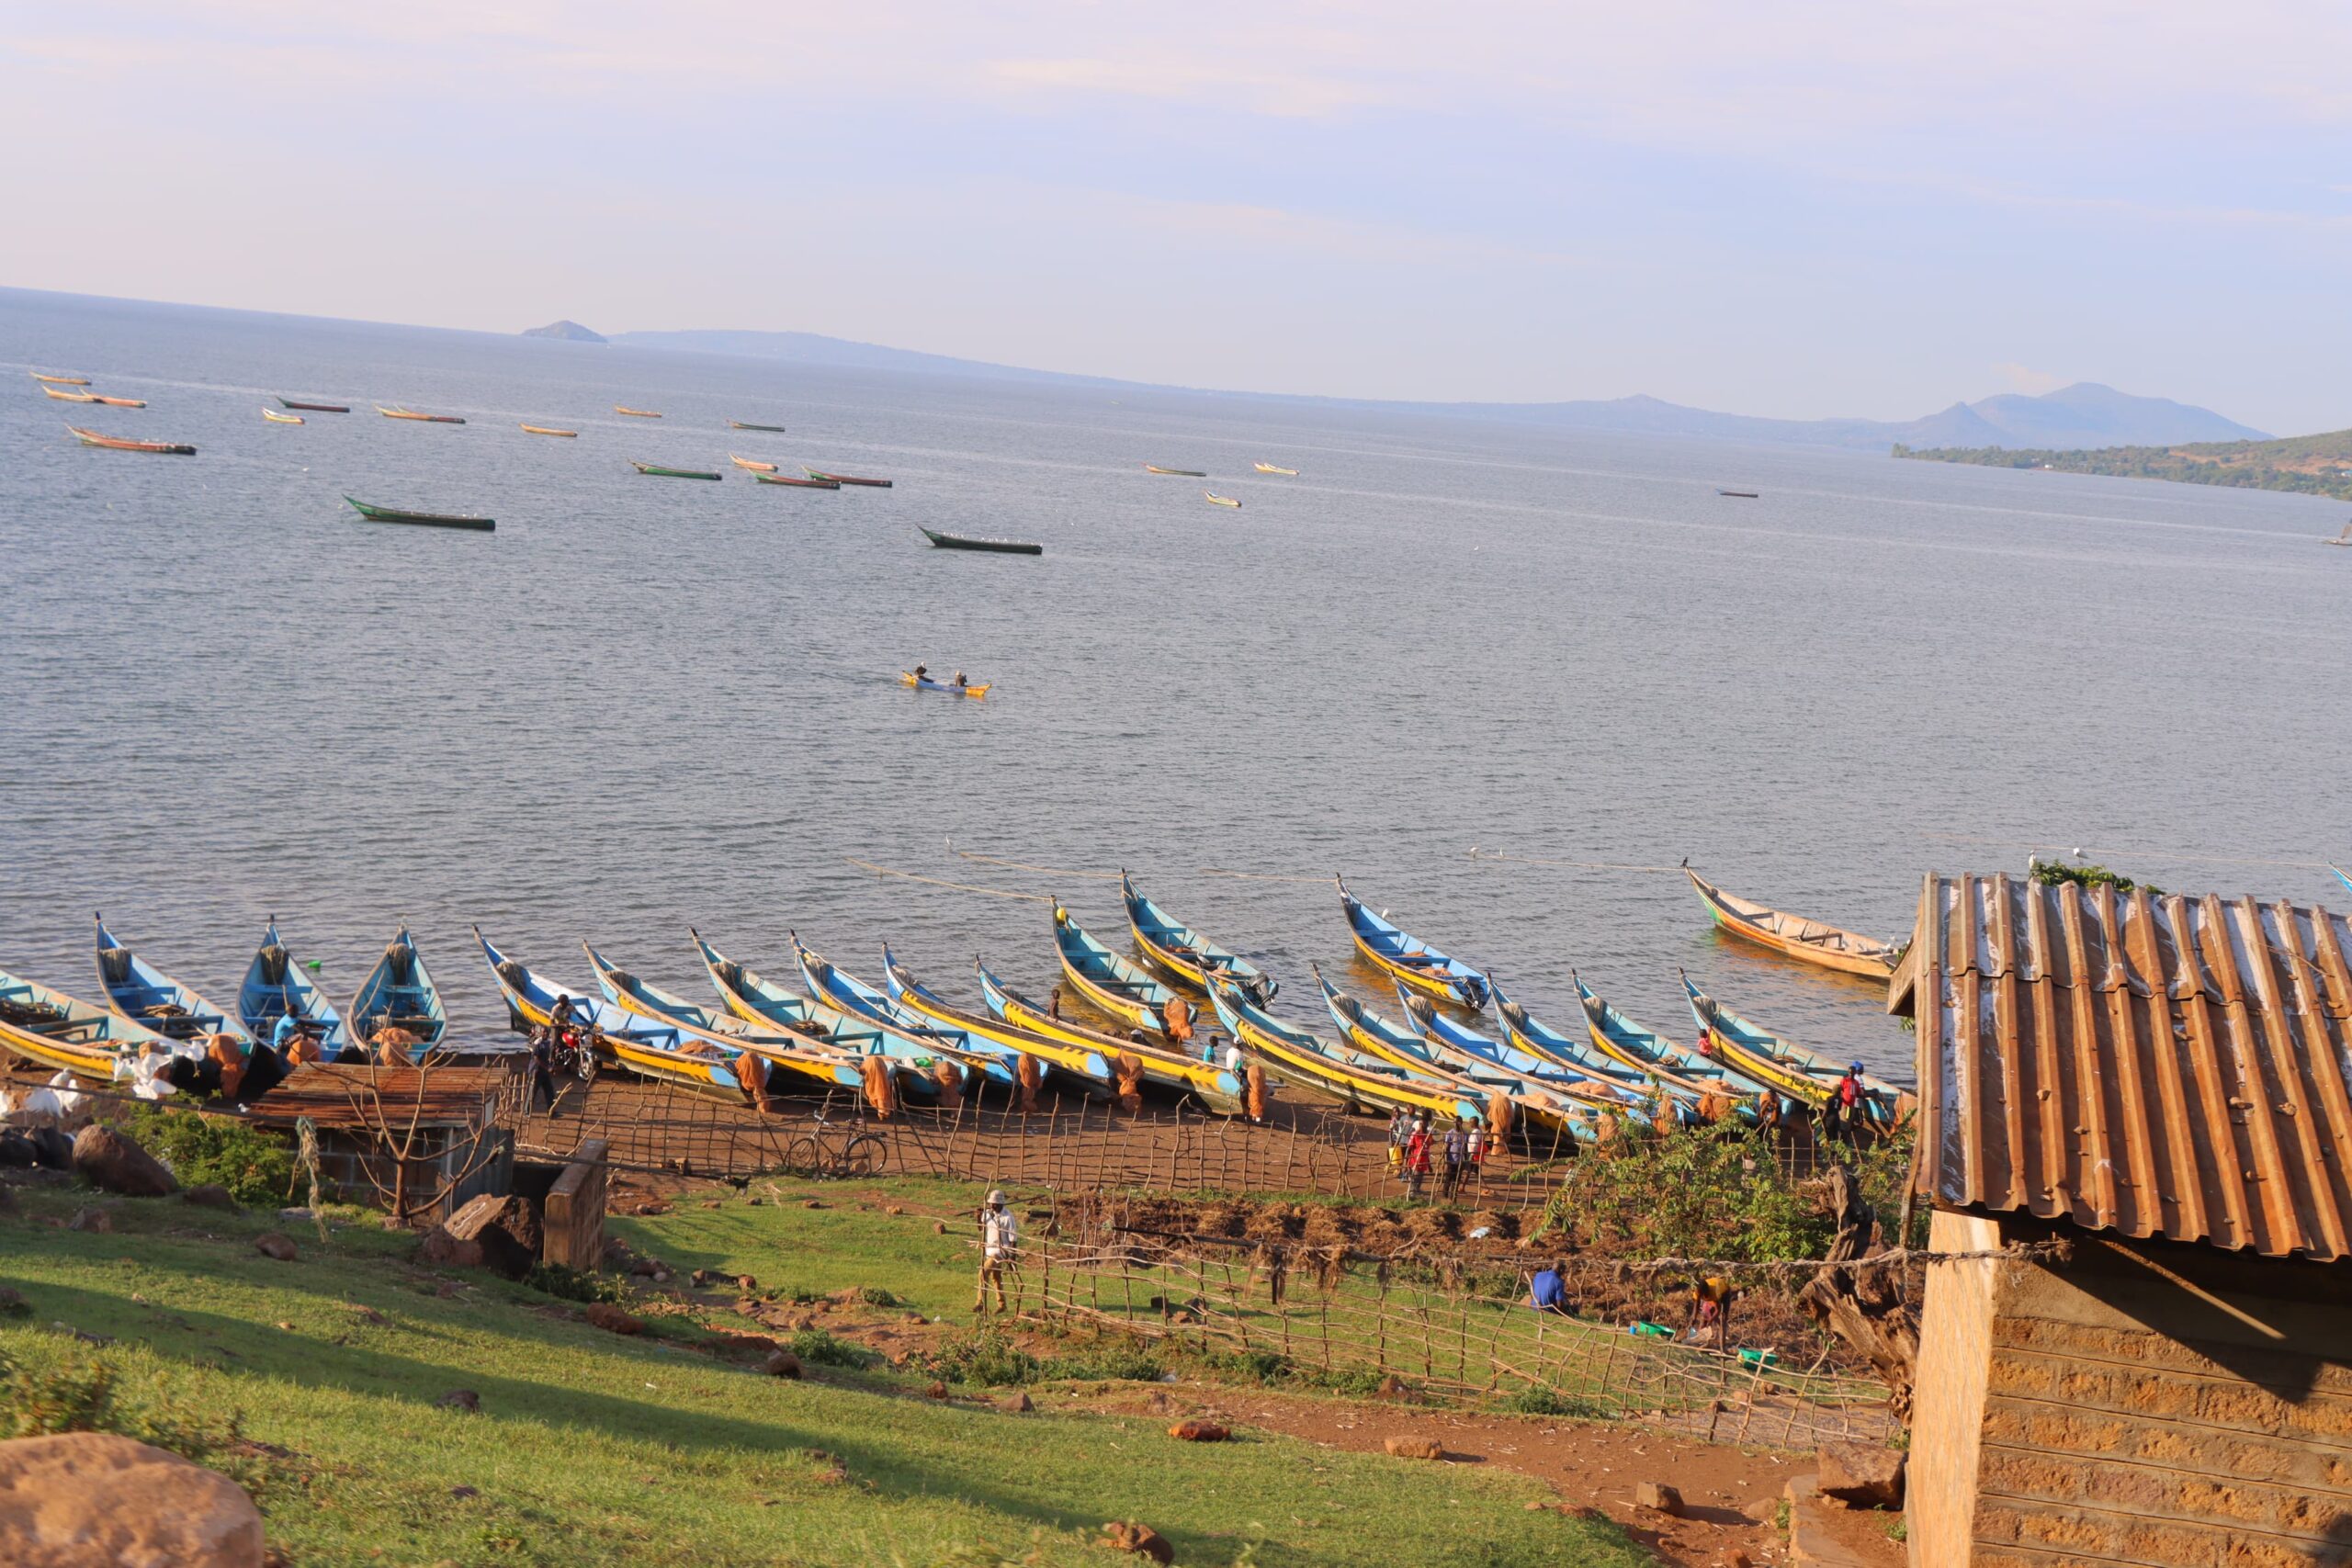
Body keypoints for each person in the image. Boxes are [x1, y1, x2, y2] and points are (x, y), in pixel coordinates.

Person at [975, 1189, 1020, 1314]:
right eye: (990, 1203)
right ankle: (1002, 1305)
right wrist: (978, 1217)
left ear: (1000, 1204)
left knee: (983, 1272)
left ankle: (980, 1302)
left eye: (994, 1204)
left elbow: (1013, 1239)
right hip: (990, 1250)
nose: (991, 1205)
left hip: (1000, 1251)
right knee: (996, 1278)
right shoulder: (988, 1214)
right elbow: (980, 1228)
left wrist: (1012, 1259)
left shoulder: (1008, 1217)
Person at [1689, 1276, 1739, 1350]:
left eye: (1700, 1294)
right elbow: (1695, 1308)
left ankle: (1722, 1347)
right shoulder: (1697, 1292)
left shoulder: (1713, 1292)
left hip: (1724, 1293)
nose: (1698, 1295)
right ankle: (1701, 1342)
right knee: (1704, 1317)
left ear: (1703, 1293)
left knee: (1723, 1319)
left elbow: (1717, 1310)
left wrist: (1710, 1321)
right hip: (1710, 1292)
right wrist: (1692, 1320)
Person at [1404, 1113, 1433, 1200]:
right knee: (1414, 1180)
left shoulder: (1428, 1136)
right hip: (1415, 1162)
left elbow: (1427, 1151)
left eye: (1424, 1124)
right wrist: (1407, 1165)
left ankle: (1417, 1192)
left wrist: (1429, 1165)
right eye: (1421, 1124)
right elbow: (1409, 1149)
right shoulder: (1415, 1134)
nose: (1422, 1126)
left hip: (1423, 1162)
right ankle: (1411, 1196)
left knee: (1419, 1180)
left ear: (1427, 1124)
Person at [1441, 1120, 1468, 1200]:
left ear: (1461, 1123)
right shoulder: (1450, 1133)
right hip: (1451, 1161)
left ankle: (1453, 1198)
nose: (1456, 1124)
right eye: (1455, 1123)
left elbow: (1465, 1148)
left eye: (1458, 1122)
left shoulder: (1465, 1134)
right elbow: (1446, 1147)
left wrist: (1465, 1160)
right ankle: (1445, 1197)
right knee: (1448, 1180)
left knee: (1456, 1180)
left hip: (1460, 1161)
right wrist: (1446, 1160)